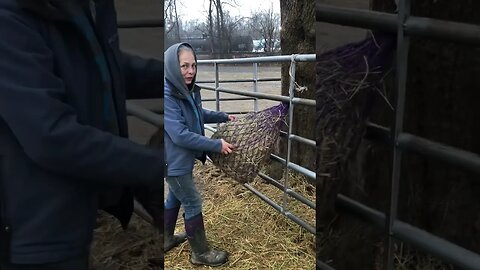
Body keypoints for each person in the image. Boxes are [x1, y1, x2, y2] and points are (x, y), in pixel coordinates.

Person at [0, 0, 164, 269]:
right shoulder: (10, 18)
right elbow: (51, 136)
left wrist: (172, 77)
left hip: (67, 209)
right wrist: (160, 166)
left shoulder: (82, 6)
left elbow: (98, 66)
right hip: (33, 222)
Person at [164, 42, 235, 267]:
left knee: (175, 196)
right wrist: (216, 144)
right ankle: (201, 253)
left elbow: (197, 113)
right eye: (184, 66)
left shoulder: (184, 90)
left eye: (193, 65)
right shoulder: (167, 96)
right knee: (193, 201)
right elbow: (180, 135)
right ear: (173, 67)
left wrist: (222, 116)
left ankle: (165, 239)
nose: (190, 71)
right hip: (173, 162)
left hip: (180, 162)